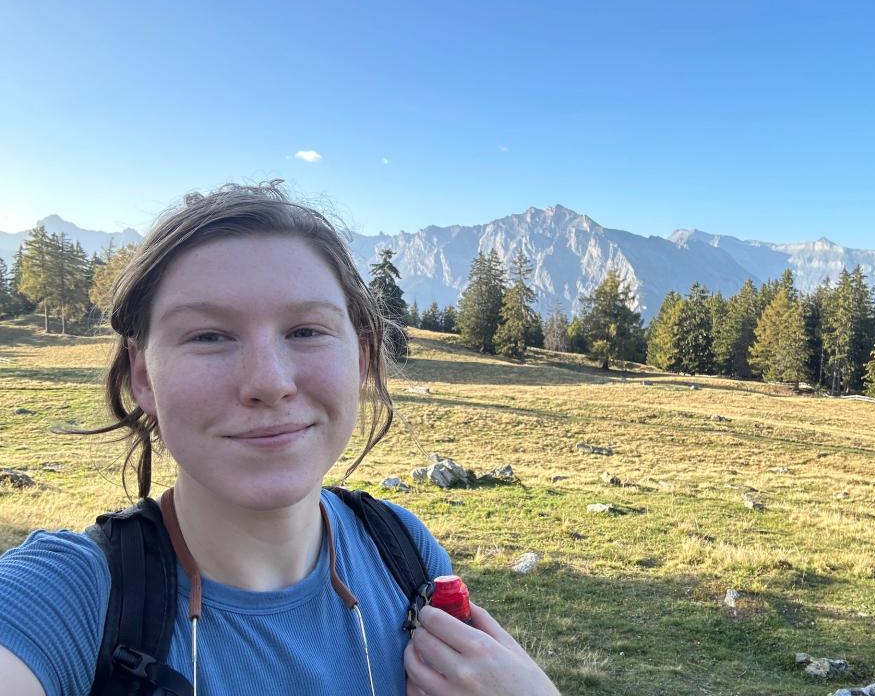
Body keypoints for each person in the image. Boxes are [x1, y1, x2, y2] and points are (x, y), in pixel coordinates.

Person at [0, 182, 560, 696]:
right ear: (143, 375)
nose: (269, 382)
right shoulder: (62, 600)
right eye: (209, 335)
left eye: (306, 331)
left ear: (360, 359)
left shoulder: (404, 550)